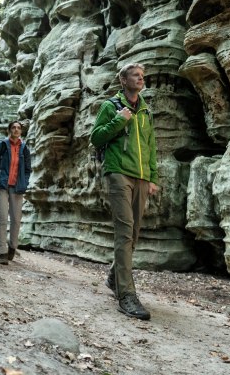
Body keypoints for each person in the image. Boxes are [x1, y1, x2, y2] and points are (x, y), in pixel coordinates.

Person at [90, 63, 159, 320]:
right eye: (135, 75)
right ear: (123, 79)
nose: (141, 79)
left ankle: (114, 276)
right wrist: (119, 122)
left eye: (142, 76)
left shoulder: (146, 111)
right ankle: (126, 295)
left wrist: (152, 176)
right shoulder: (111, 106)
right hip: (118, 172)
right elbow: (96, 137)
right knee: (125, 229)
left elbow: (151, 145)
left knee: (135, 232)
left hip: (141, 176)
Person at [0, 121, 32, 265]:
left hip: (17, 188)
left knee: (16, 220)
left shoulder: (24, 148)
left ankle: (12, 247)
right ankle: (2, 252)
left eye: (18, 128)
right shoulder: (2, 145)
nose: (16, 130)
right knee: (2, 219)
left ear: (21, 131)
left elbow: (27, 170)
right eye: (14, 127)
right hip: (1, 186)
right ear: (9, 130)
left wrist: (24, 182)